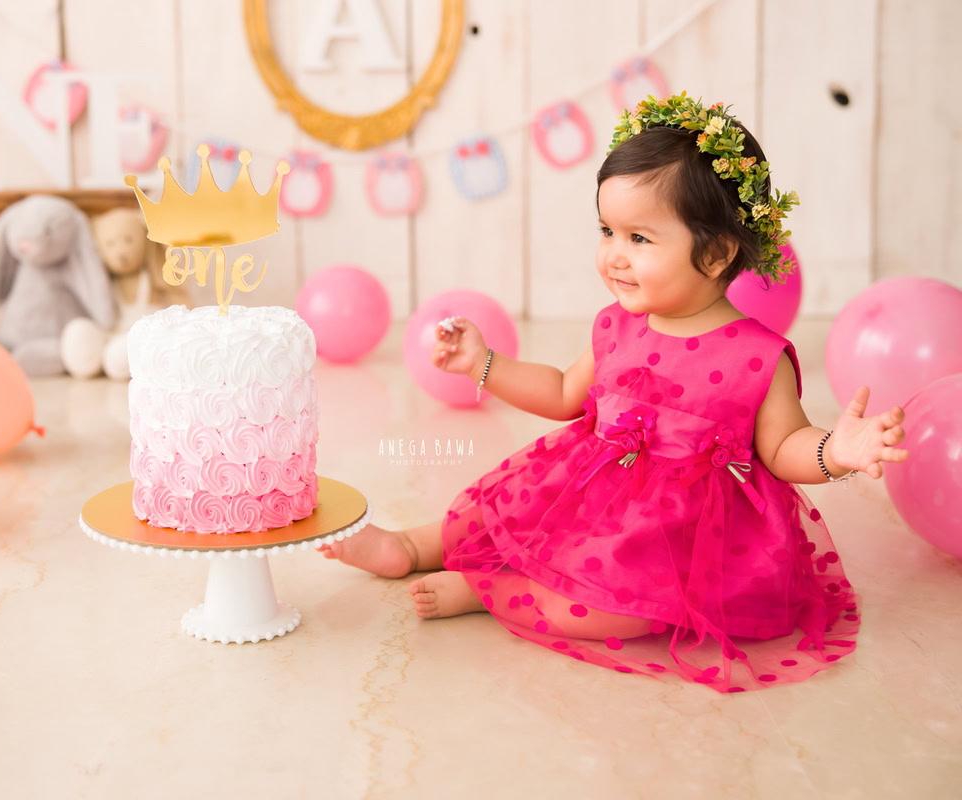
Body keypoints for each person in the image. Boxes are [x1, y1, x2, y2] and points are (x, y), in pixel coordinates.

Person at [318, 93, 910, 692]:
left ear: (715, 253)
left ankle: (487, 589)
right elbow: (561, 393)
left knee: (615, 610)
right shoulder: (618, 326)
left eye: (639, 239)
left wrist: (835, 451)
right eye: (607, 231)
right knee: (497, 517)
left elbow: (783, 449)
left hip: (678, 537)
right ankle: (408, 545)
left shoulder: (756, 356)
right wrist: (483, 364)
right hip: (588, 489)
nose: (614, 257)